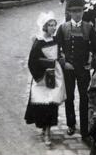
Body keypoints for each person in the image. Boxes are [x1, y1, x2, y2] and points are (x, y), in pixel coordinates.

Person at [56, 0, 96, 143]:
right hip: (68, 68)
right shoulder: (63, 28)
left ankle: (85, 130)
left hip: (83, 69)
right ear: (69, 12)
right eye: (74, 11)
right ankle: (70, 124)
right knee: (69, 96)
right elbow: (56, 49)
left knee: (85, 98)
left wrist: (92, 64)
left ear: (83, 11)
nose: (77, 14)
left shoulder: (89, 27)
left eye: (80, 11)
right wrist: (64, 63)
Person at [24, 11, 66, 146]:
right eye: (51, 25)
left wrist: (60, 60)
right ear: (45, 27)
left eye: (55, 25)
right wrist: (39, 77)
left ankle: (48, 131)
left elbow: (58, 55)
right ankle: (44, 129)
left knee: (52, 103)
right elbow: (32, 62)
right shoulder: (39, 42)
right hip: (42, 78)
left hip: (55, 75)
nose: (54, 28)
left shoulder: (55, 40)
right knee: (43, 103)